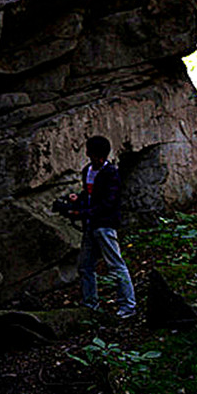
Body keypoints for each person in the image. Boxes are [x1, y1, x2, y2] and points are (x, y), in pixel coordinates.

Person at [65, 135, 137, 319]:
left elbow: (108, 203)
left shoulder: (111, 173)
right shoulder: (87, 171)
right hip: (91, 225)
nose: (87, 153)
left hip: (105, 225)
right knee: (85, 266)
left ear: (96, 154)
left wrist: (81, 213)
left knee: (116, 264)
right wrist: (78, 200)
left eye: (89, 150)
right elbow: (90, 195)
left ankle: (128, 306)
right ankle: (90, 305)